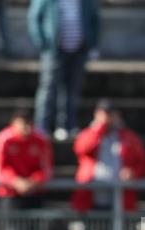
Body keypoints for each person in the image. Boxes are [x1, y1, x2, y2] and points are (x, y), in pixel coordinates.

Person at [28, 0, 100, 141]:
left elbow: (95, 19)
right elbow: (34, 17)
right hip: (54, 50)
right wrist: (43, 43)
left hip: (79, 50)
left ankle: (67, 125)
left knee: (72, 90)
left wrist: (91, 43)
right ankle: (42, 126)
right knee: (48, 88)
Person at [71, 100, 145, 213]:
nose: (107, 117)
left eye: (111, 113)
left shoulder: (129, 137)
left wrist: (133, 173)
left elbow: (142, 162)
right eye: (104, 113)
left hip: (120, 197)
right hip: (90, 196)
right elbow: (81, 149)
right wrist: (99, 129)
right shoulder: (88, 133)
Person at [0, 111, 54, 230]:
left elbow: (46, 169)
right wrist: (15, 181)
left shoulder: (40, 140)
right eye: (23, 124)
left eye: (30, 124)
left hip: (35, 192)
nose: (27, 128)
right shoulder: (4, 139)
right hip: (10, 193)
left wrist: (34, 181)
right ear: (13, 124)